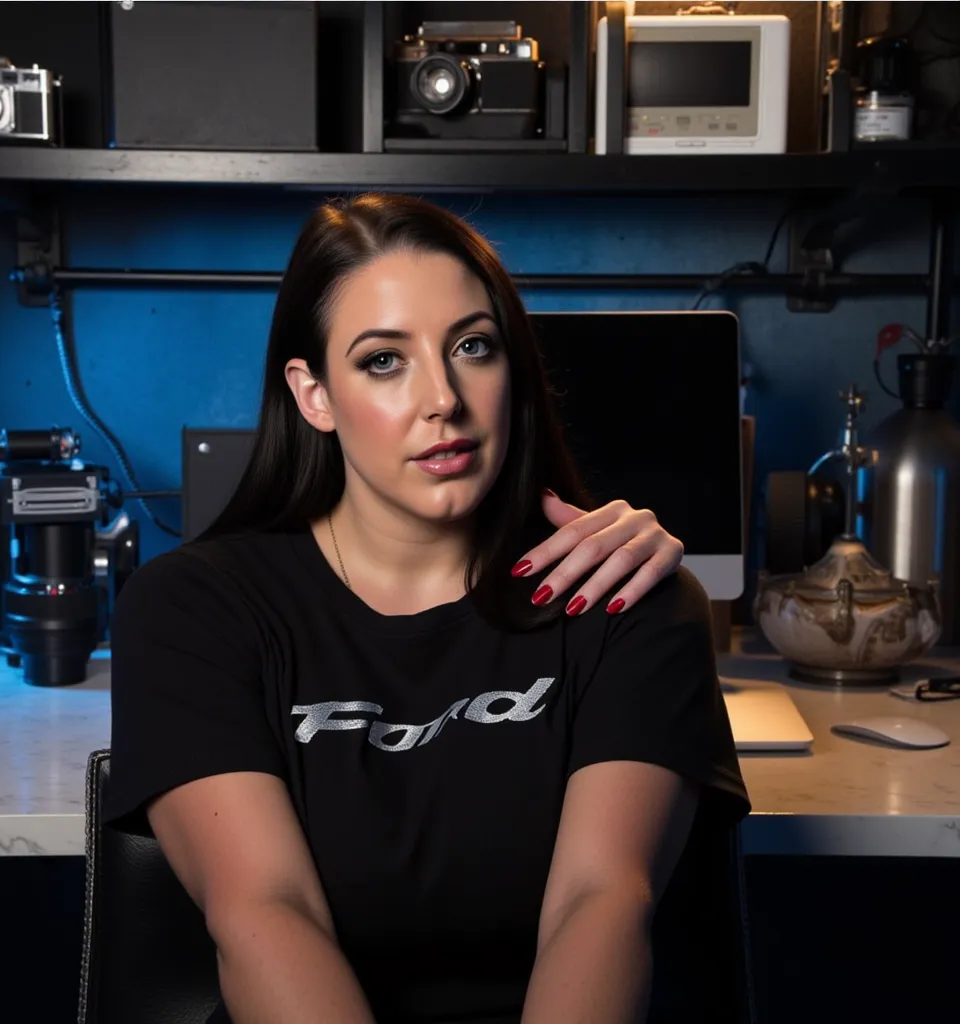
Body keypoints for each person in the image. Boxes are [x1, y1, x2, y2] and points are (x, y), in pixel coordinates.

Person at [105, 194, 749, 1024]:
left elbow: (601, 902)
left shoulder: (624, 599)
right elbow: (265, 912)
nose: (443, 397)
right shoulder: (192, 610)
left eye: (472, 348)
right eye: (383, 360)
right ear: (315, 396)